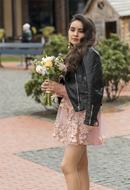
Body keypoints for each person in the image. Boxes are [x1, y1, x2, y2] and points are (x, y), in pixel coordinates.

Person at [41, 14, 104, 190]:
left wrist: (90, 119)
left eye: (81, 31)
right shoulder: (73, 53)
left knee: (67, 166)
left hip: (82, 114)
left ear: (88, 34)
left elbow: (95, 89)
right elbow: (75, 85)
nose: (75, 34)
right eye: (72, 29)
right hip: (72, 111)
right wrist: (54, 86)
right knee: (80, 165)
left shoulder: (91, 54)